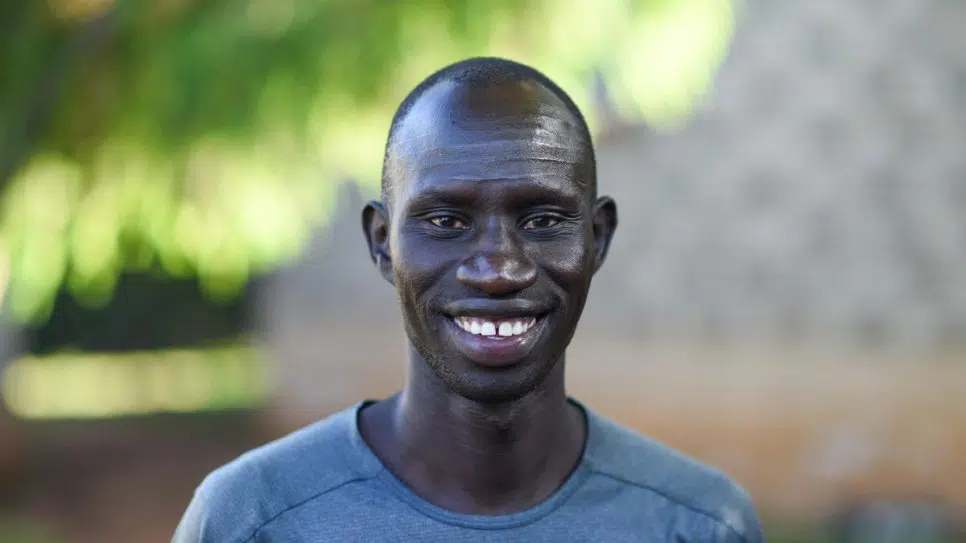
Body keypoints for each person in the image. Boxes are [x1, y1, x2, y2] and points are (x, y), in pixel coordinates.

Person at [173, 57, 764, 542]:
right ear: (383, 244)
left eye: (541, 219)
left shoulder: (698, 524)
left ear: (597, 238)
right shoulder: (253, 519)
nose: (499, 269)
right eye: (447, 220)